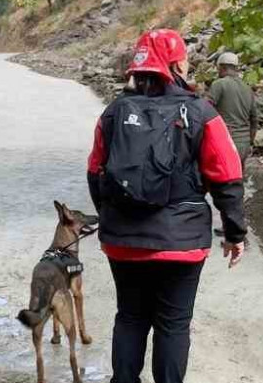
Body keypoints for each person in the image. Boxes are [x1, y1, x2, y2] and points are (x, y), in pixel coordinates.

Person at [87, 29, 247, 383]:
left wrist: (112, 217)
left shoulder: (113, 113)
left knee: (129, 317)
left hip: (123, 242)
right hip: (181, 242)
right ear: (176, 64)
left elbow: (95, 170)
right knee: (173, 325)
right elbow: (227, 176)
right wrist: (235, 233)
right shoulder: (200, 112)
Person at [209, 52, 258, 168]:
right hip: (244, 145)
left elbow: (206, 108)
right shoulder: (247, 89)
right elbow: (254, 120)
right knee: (238, 178)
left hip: (226, 143)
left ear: (222, 67)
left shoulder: (219, 84)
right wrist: (250, 141)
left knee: (222, 182)